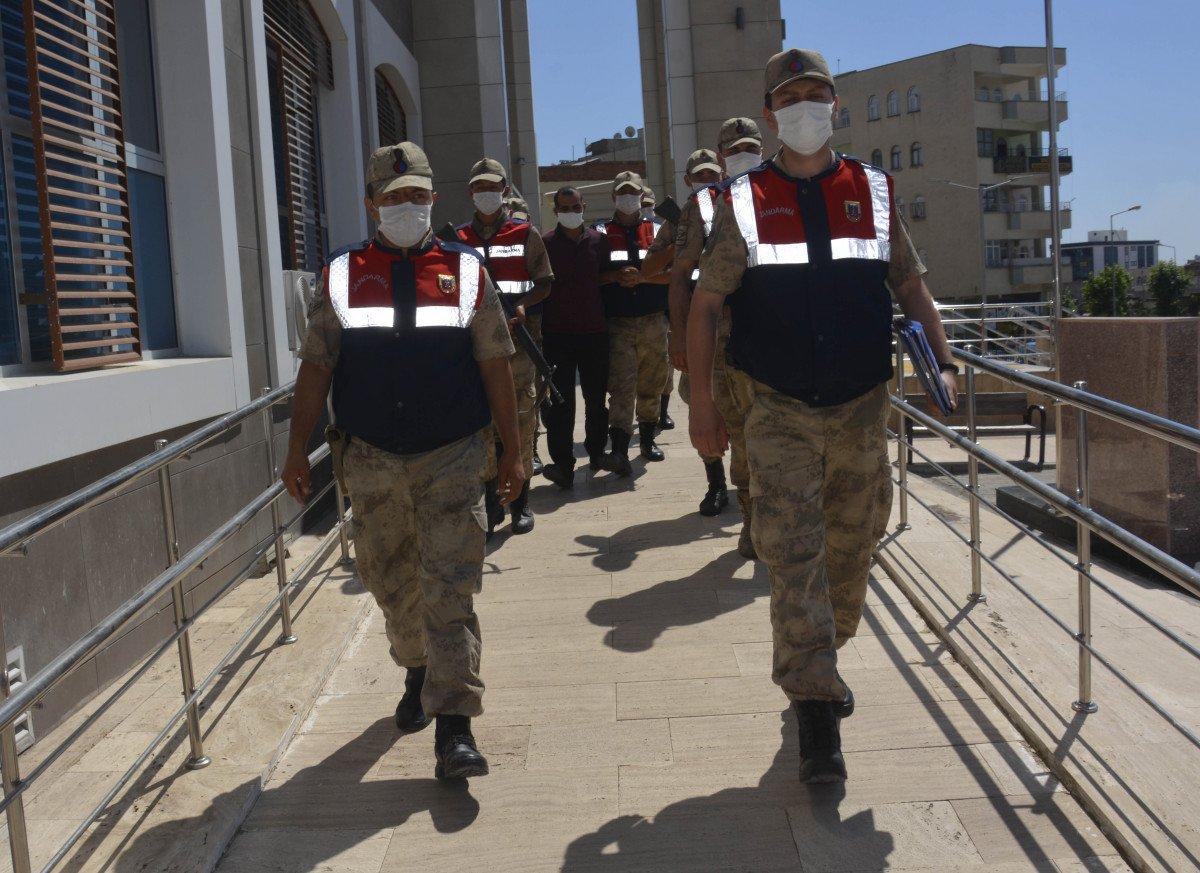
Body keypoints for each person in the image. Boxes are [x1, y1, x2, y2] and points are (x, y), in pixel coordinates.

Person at [688, 49, 959, 784]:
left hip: (861, 404)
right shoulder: (741, 201)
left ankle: (824, 652)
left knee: (854, 544)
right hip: (775, 406)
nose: (806, 105)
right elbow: (707, 304)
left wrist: (947, 358)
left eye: (818, 93)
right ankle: (814, 707)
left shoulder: (872, 191)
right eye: (791, 96)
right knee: (793, 552)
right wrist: (702, 404)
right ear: (772, 111)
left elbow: (911, 284)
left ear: (836, 104)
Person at [281, 141, 524, 780]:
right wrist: (295, 450)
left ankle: (455, 727)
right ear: (371, 204)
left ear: (432, 198)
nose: (406, 207)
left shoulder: (466, 269)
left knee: (451, 589)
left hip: (453, 453)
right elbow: (315, 368)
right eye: (393, 198)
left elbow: (495, 363)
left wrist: (513, 451)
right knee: (392, 586)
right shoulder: (340, 273)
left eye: (416, 195)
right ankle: (416, 668)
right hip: (371, 459)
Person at [660, 127, 763, 544]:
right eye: (734, 150)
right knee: (737, 429)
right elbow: (679, 277)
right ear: (721, 156)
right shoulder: (704, 204)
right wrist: (679, 338)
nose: (743, 155)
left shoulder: (784, 191)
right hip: (720, 334)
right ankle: (752, 518)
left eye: (750, 148)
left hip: (776, 333)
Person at [456, 158, 553, 535]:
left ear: (505, 190)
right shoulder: (456, 240)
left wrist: (525, 305)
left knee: (521, 420)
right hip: (472, 352)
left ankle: (521, 503)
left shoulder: (525, 234)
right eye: (480, 188)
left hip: (517, 347)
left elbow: (545, 282)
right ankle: (493, 503)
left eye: (493, 187)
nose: (486, 194)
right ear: (470, 193)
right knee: (483, 427)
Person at [539, 186, 620, 487]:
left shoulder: (599, 241)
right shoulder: (545, 243)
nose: (571, 212)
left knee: (596, 399)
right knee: (561, 404)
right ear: (555, 210)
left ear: (583, 207)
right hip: (557, 336)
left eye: (575, 207)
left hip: (594, 333)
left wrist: (617, 276)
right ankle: (562, 465)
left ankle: (598, 454)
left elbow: (605, 277)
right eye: (564, 208)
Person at [595, 170, 670, 474]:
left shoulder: (659, 230)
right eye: (622, 192)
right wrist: (613, 277)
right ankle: (620, 448)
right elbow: (589, 279)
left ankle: (649, 438)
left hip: (654, 320)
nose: (628, 198)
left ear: (642, 195)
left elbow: (675, 273)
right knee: (622, 386)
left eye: (633, 192)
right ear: (613, 197)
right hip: (618, 324)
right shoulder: (598, 233)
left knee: (652, 381)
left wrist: (644, 276)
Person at [641, 184, 676, 433]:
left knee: (665, 365)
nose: (644, 210)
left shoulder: (665, 228)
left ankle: (662, 413)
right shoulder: (618, 229)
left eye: (647, 205)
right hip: (639, 304)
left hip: (665, 302)